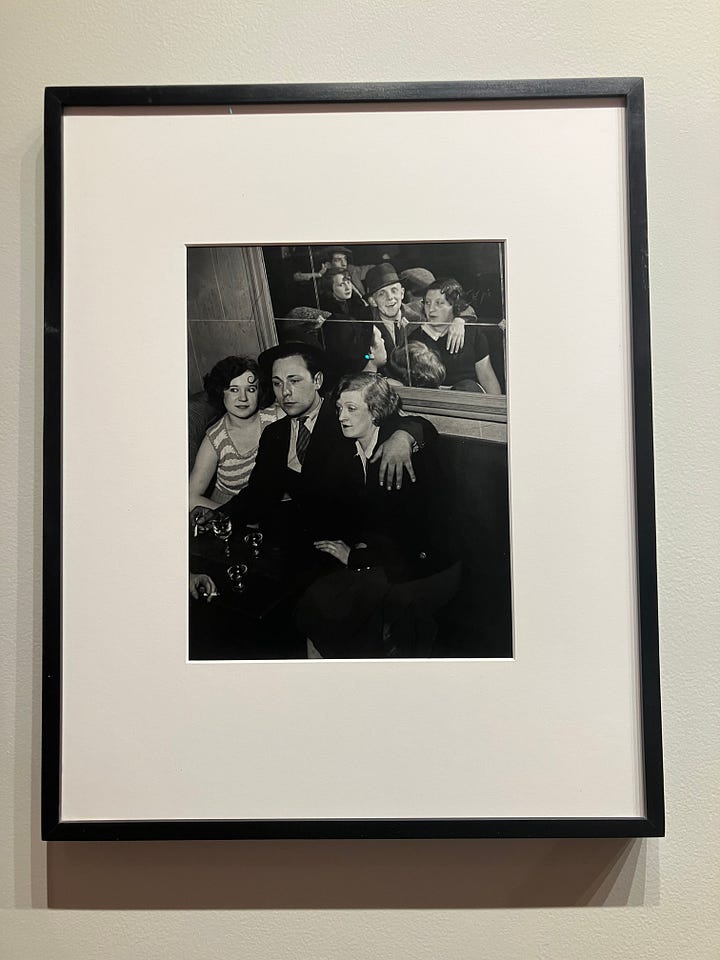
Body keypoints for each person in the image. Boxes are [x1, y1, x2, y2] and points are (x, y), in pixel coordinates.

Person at [295, 372, 462, 658]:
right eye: (339, 408)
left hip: (426, 563)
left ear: (375, 412)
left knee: (335, 602)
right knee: (319, 594)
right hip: (384, 553)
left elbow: (416, 536)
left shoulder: (400, 458)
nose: (341, 417)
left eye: (351, 409)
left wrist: (356, 556)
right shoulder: (349, 447)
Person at [188, 356, 282, 510]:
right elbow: (191, 498)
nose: (243, 397)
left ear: (260, 392)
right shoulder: (215, 439)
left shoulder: (275, 417)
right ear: (221, 392)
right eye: (234, 389)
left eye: (251, 389)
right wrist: (232, 515)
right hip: (229, 508)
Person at [410, 278, 502, 393]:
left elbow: (488, 379)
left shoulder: (473, 335)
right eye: (427, 303)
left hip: (468, 399)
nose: (431, 309)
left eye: (439, 303)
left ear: (454, 305)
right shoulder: (415, 337)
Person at [364, 262, 467, 356]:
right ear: (373, 301)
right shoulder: (365, 323)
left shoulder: (419, 309)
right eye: (382, 294)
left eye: (394, 290)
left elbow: (461, 305)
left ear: (402, 293)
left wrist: (460, 320)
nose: (390, 297)